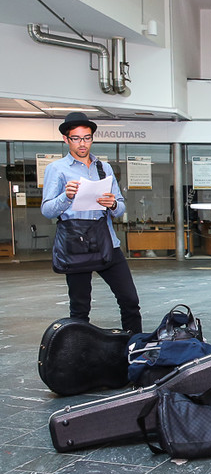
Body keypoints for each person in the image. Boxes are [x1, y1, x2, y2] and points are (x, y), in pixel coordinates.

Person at [41, 112, 142, 334]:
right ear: (66, 139)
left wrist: (112, 204)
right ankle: (79, 349)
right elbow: (47, 210)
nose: (82, 143)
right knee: (79, 308)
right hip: (76, 244)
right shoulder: (56, 169)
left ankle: (135, 347)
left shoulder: (103, 168)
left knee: (130, 301)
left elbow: (121, 208)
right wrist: (66, 196)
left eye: (87, 138)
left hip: (106, 241)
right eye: (76, 138)